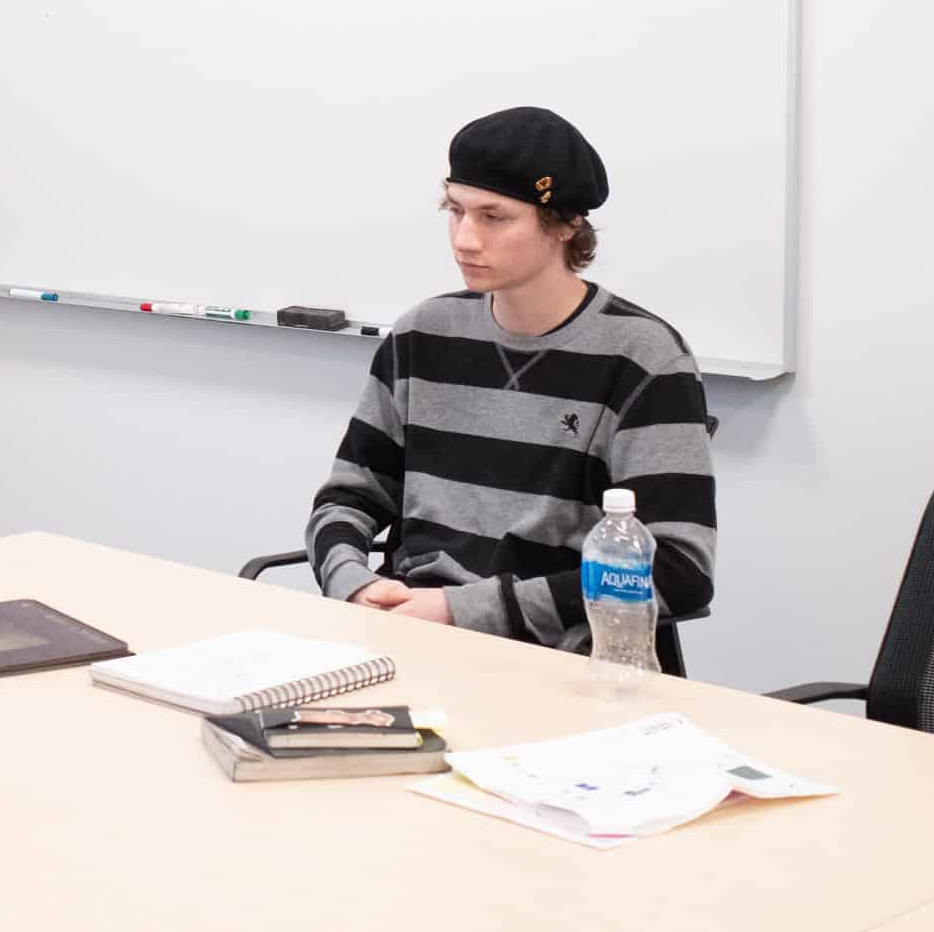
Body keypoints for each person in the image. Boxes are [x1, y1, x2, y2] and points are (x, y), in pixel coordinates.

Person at [304, 107, 716, 651]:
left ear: (567, 224)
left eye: (494, 217)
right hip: (409, 636)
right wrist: (355, 585)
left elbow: (680, 570)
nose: (465, 239)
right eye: (455, 210)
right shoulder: (423, 334)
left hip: (552, 659)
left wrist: (460, 611)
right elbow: (345, 500)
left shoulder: (643, 357)